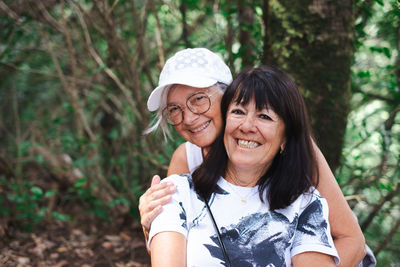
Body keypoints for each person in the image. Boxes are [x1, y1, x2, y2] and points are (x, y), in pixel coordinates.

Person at [140, 48, 368, 266]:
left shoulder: (295, 155)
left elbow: (352, 241)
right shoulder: (185, 164)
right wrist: (151, 223)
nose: (188, 118)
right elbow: (178, 241)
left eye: (199, 99)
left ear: (229, 96)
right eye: (175, 109)